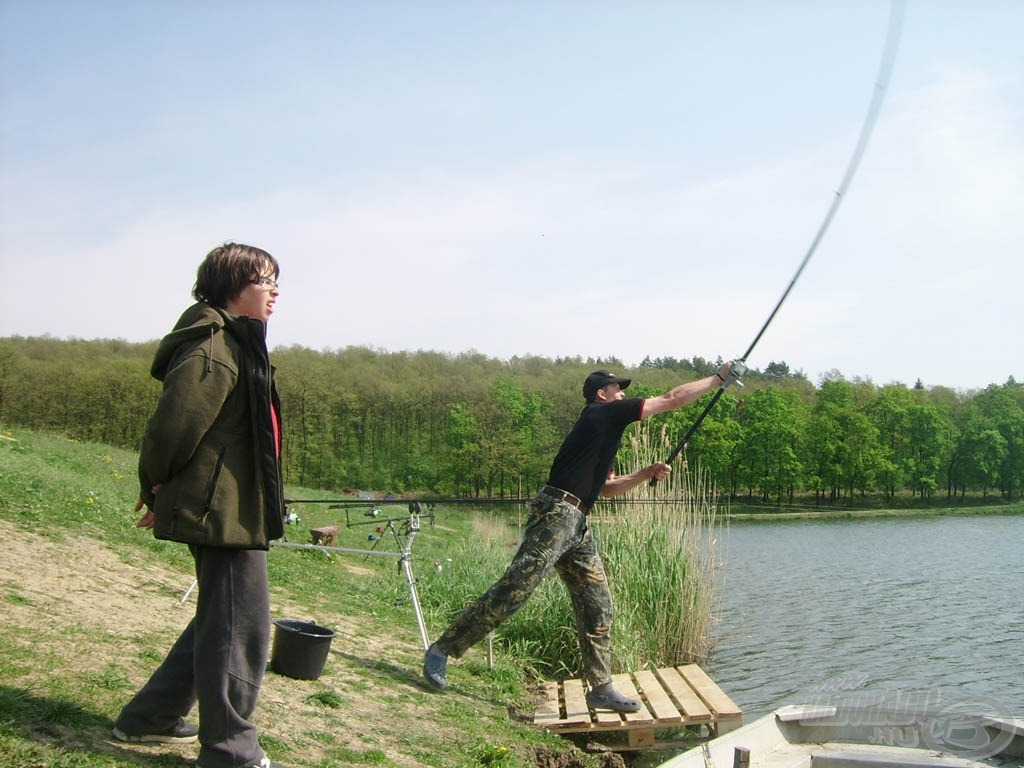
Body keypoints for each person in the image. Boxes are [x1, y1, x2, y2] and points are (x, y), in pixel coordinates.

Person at [423, 361, 743, 712]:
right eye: (617, 388)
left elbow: (606, 488)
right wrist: (718, 378)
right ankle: (442, 649)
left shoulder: (602, 431)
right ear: (602, 394)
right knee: (515, 589)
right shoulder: (601, 414)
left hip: (576, 523)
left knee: (598, 604)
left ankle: (600, 687)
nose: (622, 393)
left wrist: (645, 473)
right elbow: (671, 399)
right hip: (556, 514)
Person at [112, 243, 287, 768]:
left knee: (222, 618)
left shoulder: (237, 342)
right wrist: (155, 487)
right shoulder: (215, 346)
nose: (275, 291)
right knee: (241, 626)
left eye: (278, 282)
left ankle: (149, 718)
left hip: (234, 508)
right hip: (221, 513)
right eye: (265, 281)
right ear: (234, 286)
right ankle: (230, 750)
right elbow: (171, 427)